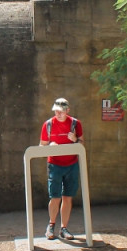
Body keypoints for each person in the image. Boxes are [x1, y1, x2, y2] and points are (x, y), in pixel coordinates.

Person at [39, 97, 83, 240]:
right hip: (55, 165)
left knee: (67, 197)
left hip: (71, 164)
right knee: (55, 197)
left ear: (67, 111)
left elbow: (82, 144)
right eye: (56, 111)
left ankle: (64, 228)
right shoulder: (48, 124)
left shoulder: (75, 124)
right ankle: (51, 226)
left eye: (61, 112)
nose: (58, 114)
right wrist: (49, 146)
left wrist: (75, 139)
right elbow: (41, 146)